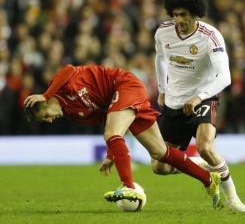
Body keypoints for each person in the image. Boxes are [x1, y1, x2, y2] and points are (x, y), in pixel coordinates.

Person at [23, 63, 224, 210]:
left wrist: (46, 94)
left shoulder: (58, 87)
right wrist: (111, 155)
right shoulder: (73, 113)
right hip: (118, 101)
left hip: (124, 85)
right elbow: (107, 119)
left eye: (45, 116)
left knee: (112, 134)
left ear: (45, 103)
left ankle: (128, 186)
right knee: (160, 152)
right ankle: (208, 180)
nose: (49, 120)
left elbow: (68, 68)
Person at [152, 0, 245, 212]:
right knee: (159, 167)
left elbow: (225, 77)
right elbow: (160, 58)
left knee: (205, 146)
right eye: (175, 15)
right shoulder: (163, 32)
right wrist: (162, 90)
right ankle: (204, 167)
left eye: (183, 14)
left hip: (203, 97)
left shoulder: (210, 36)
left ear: (195, 12)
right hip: (174, 101)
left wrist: (198, 97)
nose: (179, 20)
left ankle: (234, 200)